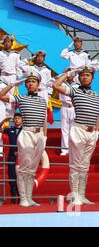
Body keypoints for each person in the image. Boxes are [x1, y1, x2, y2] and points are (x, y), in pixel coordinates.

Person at [53, 65, 99, 206]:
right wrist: (68, 74)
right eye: (82, 75)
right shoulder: (74, 90)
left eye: (88, 75)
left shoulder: (95, 94)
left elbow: (96, 114)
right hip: (79, 130)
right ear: (79, 78)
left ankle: (82, 194)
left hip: (92, 133)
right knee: (75, 165)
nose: (85, 77)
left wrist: (97, 131)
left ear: (92, 78)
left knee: (85, 165)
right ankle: (74, 195)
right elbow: (56, 85)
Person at [0, 70, 48, 207]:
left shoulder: (43, 100)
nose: (31, 84)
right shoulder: (20, 97)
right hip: (26, 133)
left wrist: (45, 135)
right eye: (28, 82)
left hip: (39, 135)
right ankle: (23, 198)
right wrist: (12, 84)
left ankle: (29, 197)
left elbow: (43, 119)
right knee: (24, 167)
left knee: (32, 168)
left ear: (38, 84)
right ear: (25, 85)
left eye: (33, 81)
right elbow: (1, 95)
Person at [0, 35, 25, 117]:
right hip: (2, 77)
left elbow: (19, 66)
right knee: (1, 96)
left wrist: (17, 76)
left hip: (12, 77)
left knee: (10, 98)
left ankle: (9, 117)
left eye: (9, 41)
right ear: (3, 43)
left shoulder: (16, 54)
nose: (7, 43)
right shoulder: (0, 53)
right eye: (5, 42)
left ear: (11, 43)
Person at [1, 114, 22, 204]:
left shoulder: (25, 131)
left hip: (22, 157)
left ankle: (22, 198)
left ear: (22, 120)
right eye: (15, 119)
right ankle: (13, 200)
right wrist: (4, 120)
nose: (17, 120)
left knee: (21, 177)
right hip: (11, 157)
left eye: (18, 118)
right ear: (13, 120)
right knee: (12, 177)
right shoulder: (10, 130)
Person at [58, 68, 78, 156]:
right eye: (68, 73)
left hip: (74, 108)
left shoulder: (77, 85)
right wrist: (63, 75)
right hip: (65, 107)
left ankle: (73, 149)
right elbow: (53, 83)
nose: (70, 75)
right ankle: (65, 149)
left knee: (73, 129)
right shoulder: (61, 83)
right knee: (64, 129)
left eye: (72, 73)